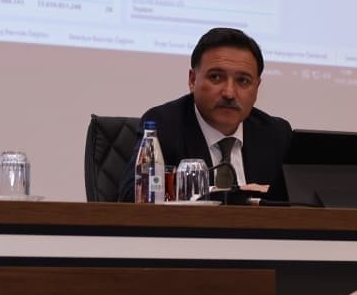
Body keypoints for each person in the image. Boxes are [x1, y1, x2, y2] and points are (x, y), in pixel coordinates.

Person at [118, 27, 293, 202]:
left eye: (243, 80)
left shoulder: (275, 134)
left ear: (257, 88)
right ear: (192, 80)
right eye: (216, 77)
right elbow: (133, 198)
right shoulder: (164, 125)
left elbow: (298, 202)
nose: (229, 93)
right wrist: (232, 194)